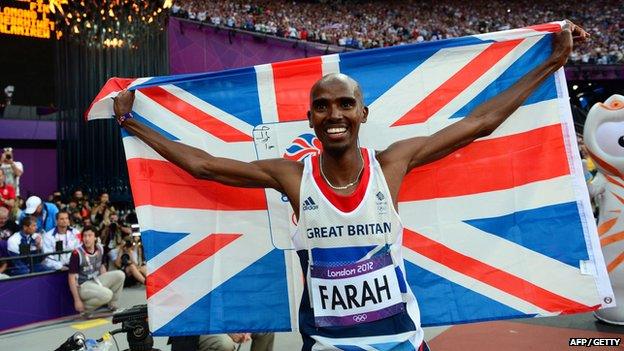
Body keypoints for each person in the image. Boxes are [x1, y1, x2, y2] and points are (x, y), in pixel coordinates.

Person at [113, 23, 587, 350]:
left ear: (363, 113)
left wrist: (551, 64)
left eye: (345, 104)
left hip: (401, 341)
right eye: (323, 106)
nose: (334, 114)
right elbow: (205, 166)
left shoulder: (393, 164)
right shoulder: (292, 177)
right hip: (327, 345)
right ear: (310, 118)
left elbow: (481, 122)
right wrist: (134, 123)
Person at [67, 226, 125, 315]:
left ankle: (111, 304)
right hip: (83, 285)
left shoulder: (100, 248)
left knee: (120, 274)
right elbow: (71, 278)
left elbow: (101, 266)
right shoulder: (76, 253)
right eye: (85, 236)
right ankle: (86, 309)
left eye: (90, 236)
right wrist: (77, 300)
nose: (87, 238)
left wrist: (107, 283)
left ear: (95, 238)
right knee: (108, 294)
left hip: (96, 280)